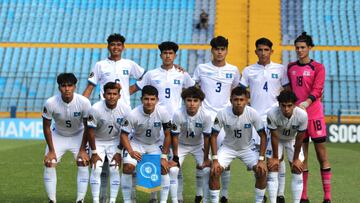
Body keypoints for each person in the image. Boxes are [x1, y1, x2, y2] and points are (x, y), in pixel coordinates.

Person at [82, 33, 145, 203]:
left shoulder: (129, 64)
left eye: (119, 45)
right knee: (102, 167)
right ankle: (102, 197)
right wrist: (82, 104)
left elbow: (146, 78)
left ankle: (129, 197)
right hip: (105, 112)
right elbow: (90, 85)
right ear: (108, 46)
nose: (116, 47)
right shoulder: (100, 65)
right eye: (112, 44)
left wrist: (129, 91)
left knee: (125, 161)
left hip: (124, 114)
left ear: (123, 47)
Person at [132, 41, 195, 202]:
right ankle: (153, 196)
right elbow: (135, 88)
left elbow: (195, 91)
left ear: (175, 55)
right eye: (165, 53)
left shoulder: (182, 74)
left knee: (175, 160)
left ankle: (178, 196)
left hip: (176, 123)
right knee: (154, 159)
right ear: (161, 55)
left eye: (171, 53)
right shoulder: (151, 74)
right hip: (156, 122)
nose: (168, 56)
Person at [240, 37, 289, 203]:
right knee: (258, 161)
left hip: (276, 117)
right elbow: (240, 91)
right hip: (256, 119)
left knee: (276, 157)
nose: (263, 53)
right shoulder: (248, 71)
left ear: (271, 51)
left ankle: (279, 195)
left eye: (266, 50)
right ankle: (261, 193)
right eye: (260, 50)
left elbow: (287, 92)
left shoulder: (281, 69)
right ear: (255, 52)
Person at [193, 35, 240, 203]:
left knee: (223, 158)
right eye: (216, 49)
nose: (219, 52)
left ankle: (224, 195)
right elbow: (192, 86)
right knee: (203, 157)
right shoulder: (201, 68)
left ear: (226, 51)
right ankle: (200, 195)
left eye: (222, 49)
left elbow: (236, 93)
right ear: (212, 50)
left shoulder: (233, 70)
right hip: (205, 116)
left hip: (225, 118)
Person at [287, 32, 331, 203]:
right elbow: (289, 91)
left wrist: (306, 103)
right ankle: (303, 196)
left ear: (310, 48)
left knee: (322, 154)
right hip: (298, 118)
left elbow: (317, 89)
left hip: (314, 115)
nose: (299, 50)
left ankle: (327, 196)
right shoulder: (290, 67)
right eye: (297, 47)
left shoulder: (318, 67)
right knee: (303, 156)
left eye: (303, 47)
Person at [207, 87, 267, 203]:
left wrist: (261, 159)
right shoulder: (223, 113)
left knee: (261, 171)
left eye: (241, 100)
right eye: (236, 100)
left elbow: (263, 136)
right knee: (215, 170)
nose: (239, 103)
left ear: (246, 100)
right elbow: (213, 136)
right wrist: (215, 159)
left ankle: (259, 201)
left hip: (247, 148)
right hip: (228, 148)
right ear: (231, 100)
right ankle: (216, 200)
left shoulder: (253, 113)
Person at [42, 73, 91, 203]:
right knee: (49, 163)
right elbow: (46, 127)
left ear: (75, 87)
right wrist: (51, 151)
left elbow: (87, 127)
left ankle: (80, 199)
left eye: (70, 85)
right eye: (63, 86)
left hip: (79, 135)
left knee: (83, 162)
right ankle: (52, 200)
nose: (67, 89)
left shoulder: (84, 102)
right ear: (59, 88)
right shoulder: (50, 102)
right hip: (58, 135)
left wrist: (82, 149)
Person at [120, 85, 173, 203]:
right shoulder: (133, 114)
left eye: (152, 99)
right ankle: (128, 200)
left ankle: (160, 200)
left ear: (157, 100)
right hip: (137, 143)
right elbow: (123, 134)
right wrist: (131, 151)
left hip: (155, 144)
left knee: (163, 168)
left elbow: (168, 134)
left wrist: (164, 157)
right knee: (128, 167)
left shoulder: (163, 112)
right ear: (141, 99)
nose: (149, 102)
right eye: (146, 99)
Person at [87, 82, 131, 203]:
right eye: (109, 94)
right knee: (96, 169)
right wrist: (94, 152)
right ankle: (96, 200)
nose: (111, 96)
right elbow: (90, 132)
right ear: (104, 94)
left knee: (114, 169)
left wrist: (118, 151)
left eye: (114, 94)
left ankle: (112, 200)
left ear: (119, 96)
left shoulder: (126, 109)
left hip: (116, 141)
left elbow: (125, 132)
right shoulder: (95, 109)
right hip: (98, 141)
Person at [171, 86, 212, 203]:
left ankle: (204, 198)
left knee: (206, 170)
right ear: (184, 101)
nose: (192, 104)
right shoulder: (178, 114)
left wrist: (205, 158)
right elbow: (174, 136)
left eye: (195, 101)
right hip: (181, 145)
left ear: (200, 102)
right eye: (189, 100)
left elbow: (207, 137)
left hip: (198, 145)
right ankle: (177, 199)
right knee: (174, 170)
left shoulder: (206, 115)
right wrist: (175, 157)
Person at [266, 90, 308, 203]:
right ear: (279, 104)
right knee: (272, 166)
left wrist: (295, 159)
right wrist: (275, 157)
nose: (286, 109)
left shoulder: (302, 115)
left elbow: (300, 138)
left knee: (297, 168)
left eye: (289, 106)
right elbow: (274, 136)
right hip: (277, 139)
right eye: (283, 106)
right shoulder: (271, 113)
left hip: (292, 140)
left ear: (294, 105)